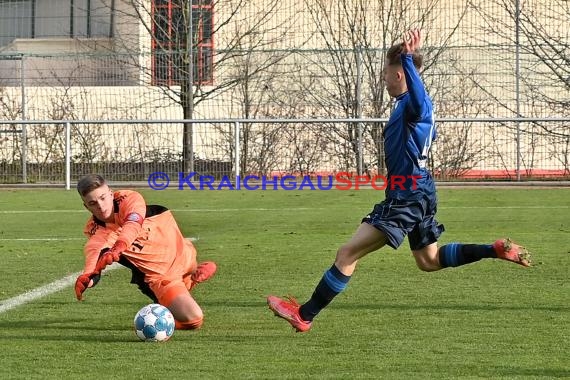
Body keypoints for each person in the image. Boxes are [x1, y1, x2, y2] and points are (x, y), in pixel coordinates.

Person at [266, 29, 532, 333]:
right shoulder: (409, 106)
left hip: (406, 197)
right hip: (419, 191)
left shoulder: (413, 106)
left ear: (399, 74)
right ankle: (493, 249)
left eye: (386, 71)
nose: (382, 77)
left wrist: (405, 58)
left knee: (347, 253)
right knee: (428, 260)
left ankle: (305, 314)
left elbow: (419, 103)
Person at [74, 174, 217, 330]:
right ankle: (163, 319)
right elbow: (94, 258)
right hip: (163, 277)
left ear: (110, 192)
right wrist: (88, 278)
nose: (100, 206)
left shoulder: (129, 198)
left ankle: (190, 278)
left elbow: (133, 223)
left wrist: (120, 244)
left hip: (181, 249)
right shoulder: (98, 233)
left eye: (102, 198)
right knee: (193, 319)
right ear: (86, 206)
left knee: (189, 265)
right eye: (93, 203)